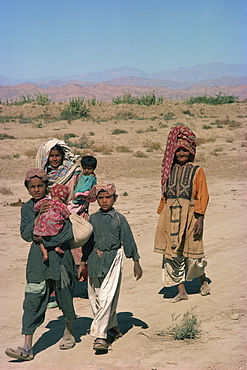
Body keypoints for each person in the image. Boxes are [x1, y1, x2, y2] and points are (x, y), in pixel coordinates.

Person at [5, 168, 80, 361]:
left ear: (47, 186)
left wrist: (43, 240)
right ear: (27, 188)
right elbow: (26, 234)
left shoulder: (58, 203)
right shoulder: (27, 208)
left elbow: (67, 234)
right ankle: (27, 346)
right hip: (37, 261)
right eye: (32, 187)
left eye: (40, 186)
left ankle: (69, 332)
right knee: (33, 298)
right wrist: (39, 219)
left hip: (61, 260)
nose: (36, 190)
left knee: (65, 295)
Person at [77, 182, 143, 352]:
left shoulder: (120, 219)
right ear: (96, 200)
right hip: (94, 259)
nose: (104, 201)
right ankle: (112, 326)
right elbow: (87, 243)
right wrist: (82, 262)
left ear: (115, 198)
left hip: (114, 258)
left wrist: (136, 261)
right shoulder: (92, 219)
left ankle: (100, 336)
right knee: (96, 296)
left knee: (107, 295)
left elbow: (128, 240)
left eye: (108, 197)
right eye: (101, 198)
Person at [154, 125, 210, 303]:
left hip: (190, 216)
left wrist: (199, 218)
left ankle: (202, 281)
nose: (181, 153)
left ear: (191, 151)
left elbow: (203, 195)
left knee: (193, 253)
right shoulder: (169, 171)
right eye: (177, 150)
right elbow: (164, 196)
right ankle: (181, 291)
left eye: (184, 150)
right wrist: (161, 215)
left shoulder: (197, 171)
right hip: (169, 216)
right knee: (172, 254)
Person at [33, 184, 70, 261]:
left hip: (43, 227)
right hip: (54, 228)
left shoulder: (45, 201)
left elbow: (36, 207)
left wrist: (37, 211)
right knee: (61, 235)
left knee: (42, 241)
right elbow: (66, 214)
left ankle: (45, 254)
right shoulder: (61, 205)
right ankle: (57, 247)